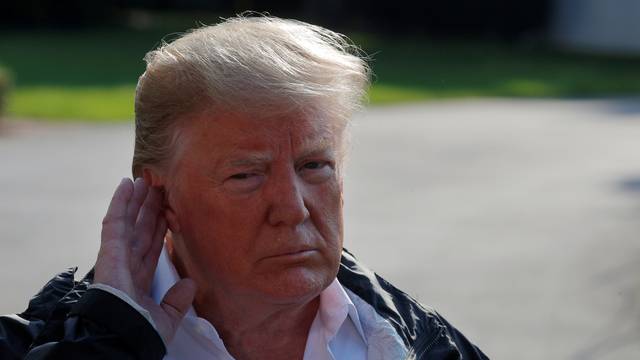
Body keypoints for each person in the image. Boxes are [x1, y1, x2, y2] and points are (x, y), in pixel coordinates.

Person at [0, 15, 488, 360]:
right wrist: (109, 345)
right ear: (159, 194)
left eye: (315, 165)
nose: (292, 209)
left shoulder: (421, 344)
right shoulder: (55, 345)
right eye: (246, 175)